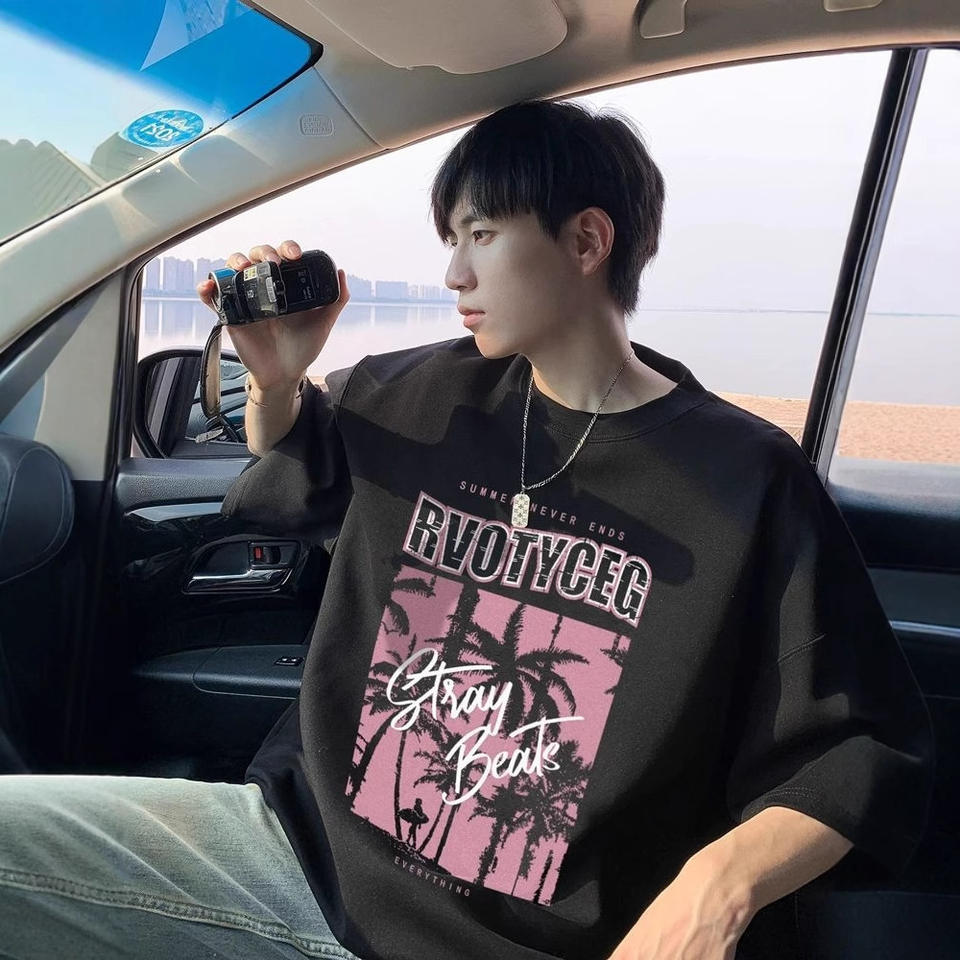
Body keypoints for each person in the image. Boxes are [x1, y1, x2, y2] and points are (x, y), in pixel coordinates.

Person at [0, 98, 934, 960]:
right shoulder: (417, 398)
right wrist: (278, 382)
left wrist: (718, 886)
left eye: (481, 235)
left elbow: (856, 749)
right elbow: (294, 483)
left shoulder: (743, 482)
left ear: (587, 241)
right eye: (452, 239)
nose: (453, 273)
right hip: (298, 863)